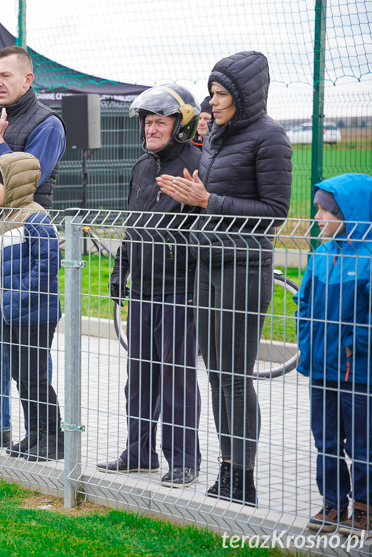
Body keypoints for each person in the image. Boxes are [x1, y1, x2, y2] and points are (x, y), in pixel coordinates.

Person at [156, 51, 293, 506]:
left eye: (220, 95)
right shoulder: (214, 134)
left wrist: (208, 200)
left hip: (243, 271)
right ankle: (227, 470)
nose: (212, 103)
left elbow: (274, 214)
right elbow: (206, 197)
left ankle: (244, 477)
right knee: (216, 375)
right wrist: (195, 201)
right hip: (208, 268)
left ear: (245, 96)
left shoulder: (270, 138)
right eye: (211, 94)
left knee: (234, 377)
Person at [97, 84, 202, 487]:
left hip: (181, 290)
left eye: (160, 122)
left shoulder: (197, 164)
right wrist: (120, 269)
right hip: (142, 288)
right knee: (139, 377)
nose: (151, 129)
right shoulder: (142, 166)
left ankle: (183, 460)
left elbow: (203, 230)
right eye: (148, 122)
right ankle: (139, 453)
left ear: (181, 125)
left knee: (177, 378)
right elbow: (132, 225)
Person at [0, 45, 67, 447]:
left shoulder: (49, 124)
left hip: (26, 246)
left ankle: (46, 435)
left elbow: (28, 180)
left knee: (30, 360)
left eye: (6, 75)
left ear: (28, 79)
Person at [297, 173, 372, 536]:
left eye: (324, 212)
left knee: (361, 443)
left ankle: (364, 508)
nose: (317, 219)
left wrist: (354, 345)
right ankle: (332, 504)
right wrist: (306, 344)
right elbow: (304, 304)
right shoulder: (321, 254)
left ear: (349, 214)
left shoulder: (369, 258)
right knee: (325, 440)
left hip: (357, 372)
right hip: (321, 368)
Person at [0, 151, 63, 461]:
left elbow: (48, 266)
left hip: (34, 314)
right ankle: (35, 434)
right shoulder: (3, 219)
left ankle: (53, 438)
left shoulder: (36, 218)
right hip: (10, 313)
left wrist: (15, 297)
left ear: (15, 183)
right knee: (21, 375)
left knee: (34, 376)